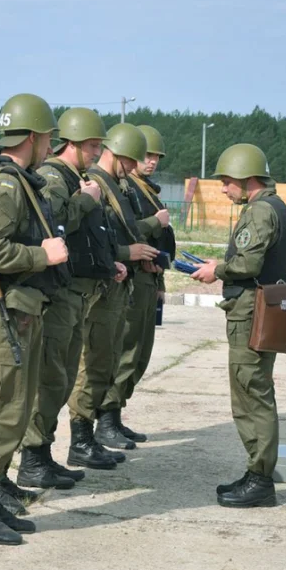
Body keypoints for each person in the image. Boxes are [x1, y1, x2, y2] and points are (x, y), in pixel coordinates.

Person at [0, 93, 68, 546]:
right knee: (1, 408)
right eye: (48, 139)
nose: (50, 147)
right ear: (33, 137)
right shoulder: (5, 184)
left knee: (16, 408)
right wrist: (42, 255)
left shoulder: (20, 181)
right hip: (1, 308)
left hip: (19, 307)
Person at [16, 107, 122, 488]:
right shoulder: (54, 178)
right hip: (59, 293)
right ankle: (32, 457)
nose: (96, 153)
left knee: (61, 378)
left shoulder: (72, 178)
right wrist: (88, 199)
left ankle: (43, 453)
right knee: (51, 376)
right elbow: (56, 225)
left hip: (75, 292)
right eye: (92, 146)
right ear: (72, 143)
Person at [190, 143, 286, 508]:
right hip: (264, 308)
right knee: (254, 389)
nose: (223, 189)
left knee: (251, 393)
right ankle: (256, 473)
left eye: (226, 181)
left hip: (251, 312)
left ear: (246, 178)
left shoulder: (260, 211)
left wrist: (215, 271)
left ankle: (260, 480)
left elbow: (248, 265)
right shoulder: (276, 206)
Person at [66, 123, 159, 459]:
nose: (134, 167)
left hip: (116, 283)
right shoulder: (95, 185)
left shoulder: (114, 185)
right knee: (92, 363)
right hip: (100, 289)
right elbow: (84, 242)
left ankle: (93, 431)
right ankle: (81, 437)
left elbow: (111, 235)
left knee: (107, 361)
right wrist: (126, 253)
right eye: (130, 160)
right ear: (115, 153)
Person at [108, 124, 173, 443]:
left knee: (140, 354)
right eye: (147, 155)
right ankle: (106, 417)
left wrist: (160, 281)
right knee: (125, 351)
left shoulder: (146, 190)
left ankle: (115, 413)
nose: (152, 162)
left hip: (148, 278)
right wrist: (155, 222)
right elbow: (127, 231)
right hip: (131, 278)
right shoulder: (126, 189)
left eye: (157, 157)